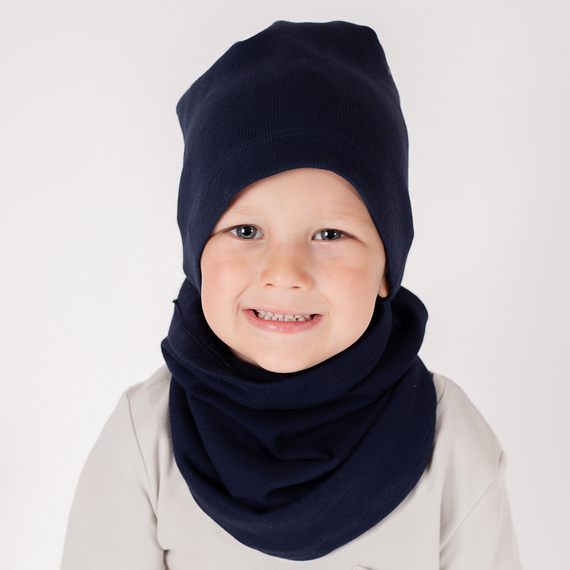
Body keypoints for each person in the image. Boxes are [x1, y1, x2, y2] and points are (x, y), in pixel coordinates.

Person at [61, 21, 521, 569]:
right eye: (245, 231)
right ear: (196, 257)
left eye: (329, 234)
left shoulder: (448, 442)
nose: (285, 273)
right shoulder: (147, 436)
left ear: (387, 267)